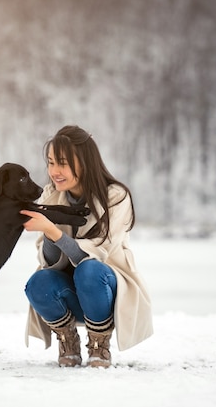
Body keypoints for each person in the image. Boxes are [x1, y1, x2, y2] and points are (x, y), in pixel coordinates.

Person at [20, 125, 153, 368]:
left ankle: (99, 345)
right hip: (71, 296)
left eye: (62, 163)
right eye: (50, 163)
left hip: (105, 293)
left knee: (89, 270)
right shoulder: (51, 195)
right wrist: (50, 234)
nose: (54, 172)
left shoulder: (116, 196)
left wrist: (52, 229)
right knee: (38, 282)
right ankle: (67, 339)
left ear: (84, 162)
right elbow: (49, 262)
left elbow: (99, 253)